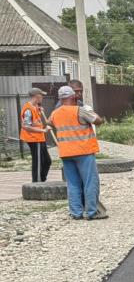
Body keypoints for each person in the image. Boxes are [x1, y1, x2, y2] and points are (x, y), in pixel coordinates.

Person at [49, 86, 106, 220]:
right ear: (73, 96)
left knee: (72, 184)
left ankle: (76, 213)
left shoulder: (55, 113)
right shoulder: (80, 111)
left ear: (60, 99)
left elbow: (49, 123)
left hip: (66, 153)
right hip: (84, 151)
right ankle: (91, 212)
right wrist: (91, 112)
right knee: (89, 182)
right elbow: (98, 121)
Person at [20, 87, 51, 183]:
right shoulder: (28, 110)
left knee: (47, 161)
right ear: (36, 96)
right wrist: (43, 130)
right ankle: (37, 182)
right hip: (33, 138)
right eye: (41, 95)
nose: (42, 97)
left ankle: (41, 179)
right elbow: (26, 126)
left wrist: (39, 109)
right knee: (38, 162)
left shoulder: (35, 107)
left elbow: (36, 120)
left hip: (39, 138)